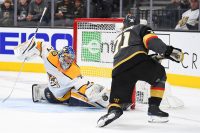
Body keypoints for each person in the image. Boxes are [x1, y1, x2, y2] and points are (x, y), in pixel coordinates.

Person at [97, 14, 184, 127]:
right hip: (138, 60)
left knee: (116, 101)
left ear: (125, 25)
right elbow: (151, 42)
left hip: (118, 68)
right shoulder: (141, 28)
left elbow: (128, 52)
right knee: (160, 75)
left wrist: (151, 58)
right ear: (138, 22)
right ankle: (154, 109)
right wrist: (168, 51)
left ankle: (114, 111)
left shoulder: (119, 36)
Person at [14, 38, 110, 108]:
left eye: (71, 59)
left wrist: (93, 91)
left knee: (79, 95)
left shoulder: (74, 71)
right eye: (67, 57)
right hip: (53, 92)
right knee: (49, 93)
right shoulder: (51, 57)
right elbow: (40, 45)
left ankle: (110, 100)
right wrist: (25, 49)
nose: (69, 61)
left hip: (64, 96)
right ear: (61, 56)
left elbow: (85, 86)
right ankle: (43, 93)